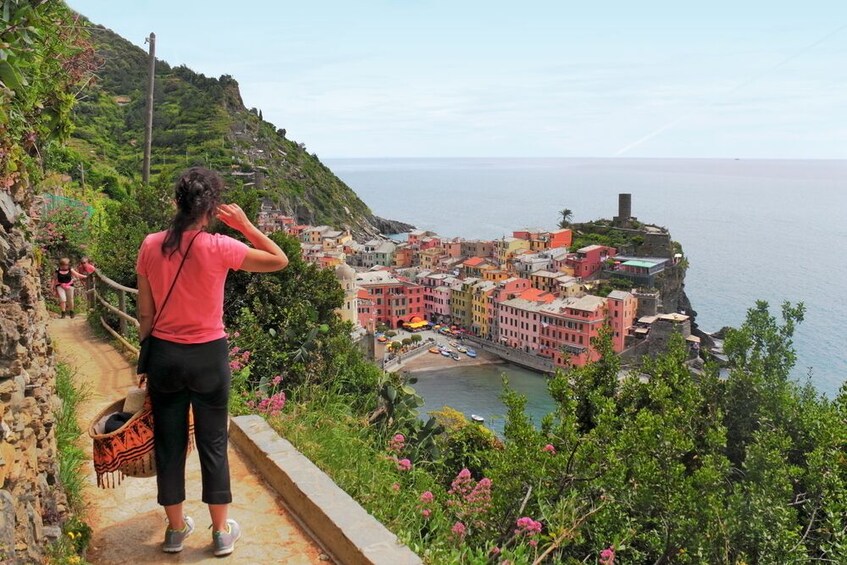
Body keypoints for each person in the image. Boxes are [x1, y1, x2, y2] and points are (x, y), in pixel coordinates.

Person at [135, 167, 288, 556]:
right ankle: (221, 533)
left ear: (176, 203)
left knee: (168, 443)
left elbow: (146, 316)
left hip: (165, 357)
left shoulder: (150, 245)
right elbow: (279, 260)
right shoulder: (220, 246)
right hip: (208, 357)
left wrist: (145, 361)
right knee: (213, 442)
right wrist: (247, 225)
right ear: (212, 207)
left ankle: (174, 531)